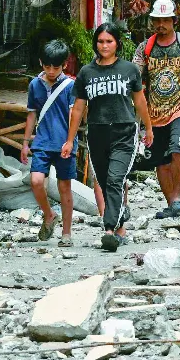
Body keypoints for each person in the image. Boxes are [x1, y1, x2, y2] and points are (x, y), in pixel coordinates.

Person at [63, 23, 153, 253]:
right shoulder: (86, 72)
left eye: (109, 41)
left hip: (124, 132)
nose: (104, 45)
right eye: (100, 41)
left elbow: (140, 102)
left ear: (117, 44)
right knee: (104, 182)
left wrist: (148, 129)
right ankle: (120, 216)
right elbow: (78, 109)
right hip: (97, 132)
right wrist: (70, 139)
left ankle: (109, 229)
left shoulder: (129, 70)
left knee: (115, 179)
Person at [132, 0, 180, 220]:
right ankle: (171, 203)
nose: (161, 24)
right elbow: (134, 78)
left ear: (174, 20)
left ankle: (176, 198)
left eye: (165, 20)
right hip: (154, 113)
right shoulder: (144, 48)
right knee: (160, 160)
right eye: (157, 20)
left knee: (178, 148)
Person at [21, 39, 77, 246]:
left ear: (64, 65)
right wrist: (26, 143)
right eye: (47, 66)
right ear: (41, 63)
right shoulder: (34, 85)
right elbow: (31, 115)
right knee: (36, 181)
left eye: (56, 66)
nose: (51, 71)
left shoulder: (71, 86)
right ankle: (49, 214)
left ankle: (67, 233)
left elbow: (74, 115)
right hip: (42, 142)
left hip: (64, 143)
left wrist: (70, 141)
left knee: (65, 188)